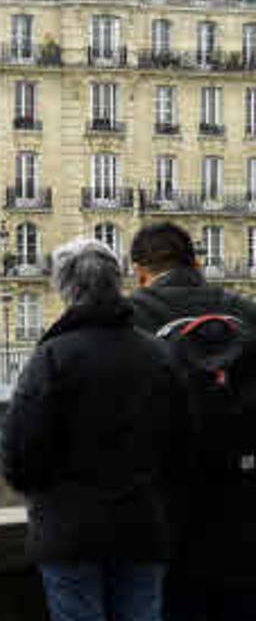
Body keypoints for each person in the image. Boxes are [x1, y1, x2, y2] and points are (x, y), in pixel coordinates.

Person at [1, 238, 189, 621]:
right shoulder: (158, 355)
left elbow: (20, 453)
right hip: (142, 527)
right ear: (118, 282)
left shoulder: (51, 358)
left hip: (69, 532)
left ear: (64, 289)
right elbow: (182, 445)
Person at [129, 222, 256, 621]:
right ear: (196, 264)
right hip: (242, 499)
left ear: (140, 272)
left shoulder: (130, 319)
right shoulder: (245, 312)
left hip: (165, 505)